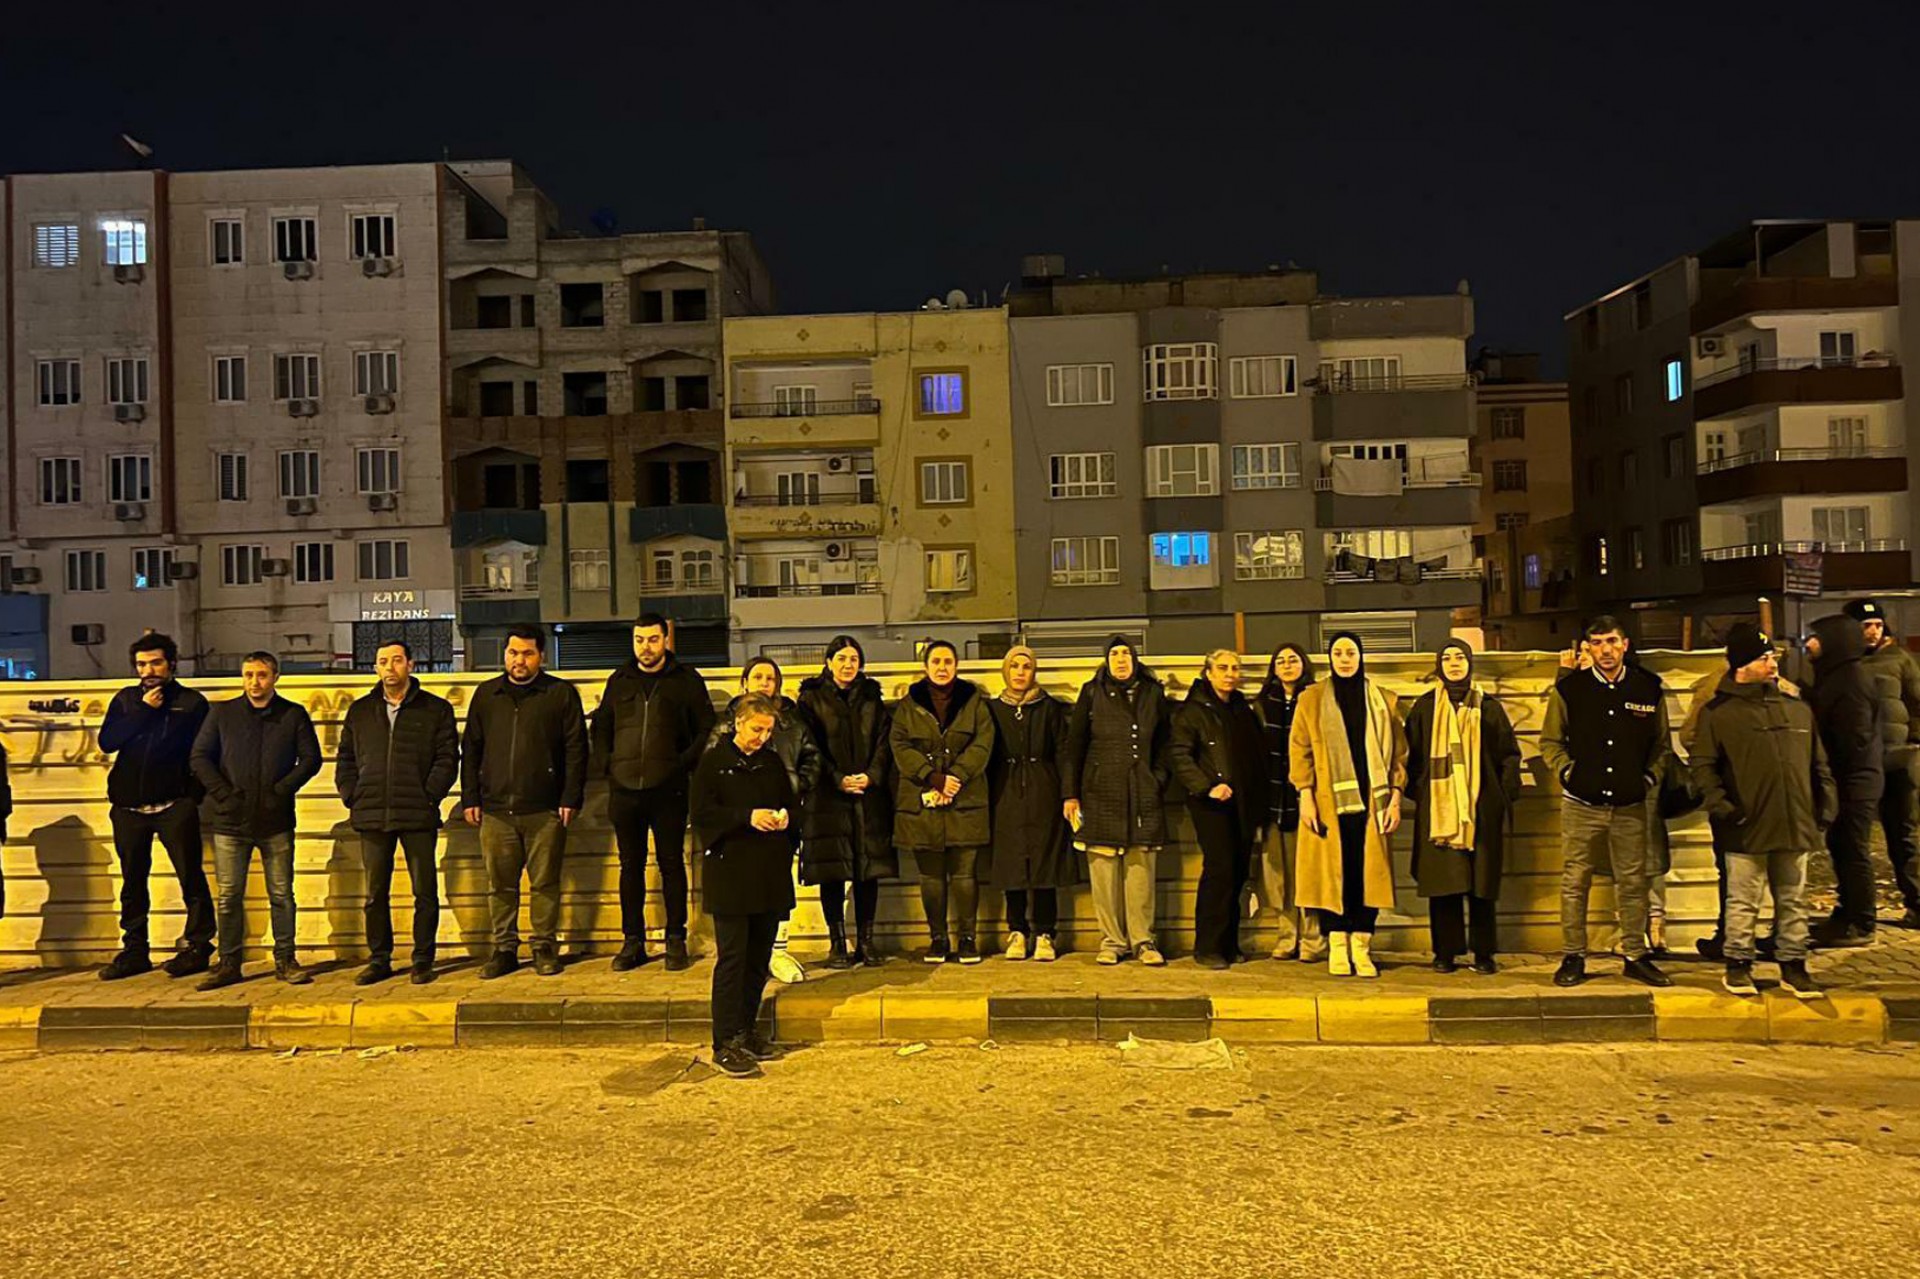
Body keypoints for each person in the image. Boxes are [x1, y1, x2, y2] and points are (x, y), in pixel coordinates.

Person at [1690, 623, 1833, 998]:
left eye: (1772, 657)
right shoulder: (1719, 713)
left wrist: (1825, 806)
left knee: (1793, 896)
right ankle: (1738, 963)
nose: (1772, 664)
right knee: (1744, 898)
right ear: (1741, 664)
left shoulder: (1796, 709)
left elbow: (1818, 763)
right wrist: (1723, 807)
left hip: (1795, 819)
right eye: (1763, 658)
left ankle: (1793, 963)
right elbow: (1703, 766)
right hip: (1746, 823)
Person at [1541, 616, 1673, 988]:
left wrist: (1648, 779)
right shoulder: (1571, 690)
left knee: (1632, 882)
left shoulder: (1648, 688)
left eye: (1612, 641)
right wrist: (1568, 773)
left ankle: (1634, 954)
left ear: (1625, 645)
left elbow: (1662, 746)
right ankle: (1574, 955)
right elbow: (1550, 742)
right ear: (1587, 649)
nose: (1606, 650)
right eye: (1597, 643)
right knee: (1575, 880)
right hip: (1581, 803)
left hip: (1631, 805)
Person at [189, 652, 323, 990]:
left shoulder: (292, 714)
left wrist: (281, 790)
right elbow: (200, 756)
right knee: (229, 895)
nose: (254, 682)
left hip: (276, 820)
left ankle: (286, 960)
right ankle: (229, 963)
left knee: (281, 894)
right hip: (229, 821)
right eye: (248, 674)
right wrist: (223, 794)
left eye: (262, 675)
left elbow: (311, 759)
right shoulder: (223, 713)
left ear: (275, 677)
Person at [461, 626, 588, 979]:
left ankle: (543, 946)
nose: (520, 660)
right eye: (513, 653)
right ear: (504, 655)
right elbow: (470, 749)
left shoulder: (560, 694)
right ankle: (504, 949)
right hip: (495, 810)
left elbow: (577, 749)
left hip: (545, 809)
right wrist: (470, 795)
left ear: (541, 657)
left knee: (545, 882)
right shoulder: (487, 695)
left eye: (528, 653)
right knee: (500, 884)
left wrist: (570, 796)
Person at [591, 613, 716, 972]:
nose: (646, 647)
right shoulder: (620, 680)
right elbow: (602, 725)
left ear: (666, 640)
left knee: (672, 864)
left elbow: (705, 727)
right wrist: (607, 765)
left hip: (669, 789)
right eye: (640, 640)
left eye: (653, 640)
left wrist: (681, 764)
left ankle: (675, 938)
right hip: (624, 790)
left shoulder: (686, 681)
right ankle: (634, 941)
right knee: (630, 867)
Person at [335, 640, 459, 986]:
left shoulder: (436, 709)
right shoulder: (360, 711)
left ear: (411, 665)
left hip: (418, 813)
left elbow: (448, 759)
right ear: (375, 668)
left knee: (425, 891)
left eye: (397, 660)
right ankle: (380, 959)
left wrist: (428, 795)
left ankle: (422, 960)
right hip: (372, 814)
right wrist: (352, 795)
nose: (390, 667)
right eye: (382, 662)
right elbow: (345, 759)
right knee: (375, 893)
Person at [690, 694, 799, 1079]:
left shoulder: (770, 763)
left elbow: (792, 804)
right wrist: (746, 817)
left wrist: (786, 820)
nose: (761, 738)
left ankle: (747, 1030)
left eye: (768, 731)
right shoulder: (714, 763)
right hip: (731, 873)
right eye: (756, 729)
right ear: (738, 723)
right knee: (733, 960)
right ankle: (725, 1042)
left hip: (768, 872)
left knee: (758, 959)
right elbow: (702, 815)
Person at [96, 633, 216, 980]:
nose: (148, 670)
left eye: (156, 663)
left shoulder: (192, 703)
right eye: (142, 664)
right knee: (133, 882)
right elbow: (108, 742)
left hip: (174, 806)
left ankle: (198, 947)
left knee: (190, 877)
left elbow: (204, 753)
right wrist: (143, 711)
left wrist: (192, 796)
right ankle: (135, 951)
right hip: (128, 809)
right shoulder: (125, 700)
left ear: (171, 664)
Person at [1290, 632, 1408, 978]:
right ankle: (1337, 945)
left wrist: (1396, 798)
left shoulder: (1384, 700)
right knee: (1333, 875)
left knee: (1365, 875)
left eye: (1351, 652)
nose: (1345, 658)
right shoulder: (1310, 699)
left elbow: (1399, 756)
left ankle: (1362, 945)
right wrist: (1305, 796)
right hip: (1328, 805)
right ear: (1329, 658)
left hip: (1374, 805)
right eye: (1338, 652)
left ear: (1361, 657)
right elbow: (1300, 751)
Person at [1403, 640, 1522, 974]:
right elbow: (1408, 757)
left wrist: (1500, 796)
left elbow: (1509, 755)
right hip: (1439, 812)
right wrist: (1424, 793)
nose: (1454, 663)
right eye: (1447, 658)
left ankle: (1484, 953)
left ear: (1470, 663)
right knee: (1444, 886)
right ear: (1438, 666)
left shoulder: (1489, 707)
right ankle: (1445, 952)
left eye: (1460, 657)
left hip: (1480, 809)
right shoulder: (1425, 708)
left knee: (1482, 887)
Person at [704, 658, 822, 977]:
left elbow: (812, 758)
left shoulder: (792, 724)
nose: (764, 682)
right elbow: (708, 784)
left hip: (781, 819)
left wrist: (796, 788)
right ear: (744, 683)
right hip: (739, 835)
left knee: (778, 891)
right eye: (757, 676)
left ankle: (778, 951)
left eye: (771, 678)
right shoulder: (725, 731)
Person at [1063, 636, 1172, 966]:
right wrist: (1071, 794)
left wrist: (1158, 779)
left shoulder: (1152, 693)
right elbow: (1074, 747)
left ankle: (1143, 940)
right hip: (1099, 794)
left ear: (1136, 659)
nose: (1121, 659)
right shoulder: (1092, 692)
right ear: (1106, 660)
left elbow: (1166, 743)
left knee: (1140, 872)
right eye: (1115, 654)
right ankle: (1112, 941)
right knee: (1104, 873)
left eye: (1126, 653)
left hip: (1143, 792)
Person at [891, 640, 995, 964]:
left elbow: (982, 743)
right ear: (925, 666)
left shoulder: (974, 702)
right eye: (935, 661)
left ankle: (967, 939)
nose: (941, 667)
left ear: (956, 665)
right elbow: (900, 745)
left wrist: (956, 777)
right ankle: (938, 939)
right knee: (931, 876)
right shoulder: (909, 704)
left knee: (965, 875)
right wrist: (931, 777)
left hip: (966, 800)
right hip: (922, 802)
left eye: (947, 661)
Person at [796, 636, 896, 967]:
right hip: (827, 798)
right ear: (828, 662)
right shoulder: (810, 699)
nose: (848, 664)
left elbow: (885, 743)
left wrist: (871, 775)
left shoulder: (872, 698)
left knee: (868, 872)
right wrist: (837, 777)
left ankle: (866, 942)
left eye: (854, 658)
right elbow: (809, 746)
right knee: (832, 873)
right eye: (841, 658)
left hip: (868, 796)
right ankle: (837, 942)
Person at [1168, 649, 1269, 968]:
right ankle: (1207, 947)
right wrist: (1207, 787)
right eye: (1222, 668)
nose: (1230, 673)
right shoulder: (1191, 711)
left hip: (1242, 803)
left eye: (1235, 668)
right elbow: (1180, 756)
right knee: (1219, 870)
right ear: (1208, 672)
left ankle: (1229, 944)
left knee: (1238, 873)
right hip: (1210, 804)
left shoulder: (1242, 709)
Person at [985, 646, 1079, 962]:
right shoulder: (993, 709)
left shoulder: (1049, 708)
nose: (1021, 672)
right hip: (1006, 792)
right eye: (1015, 666)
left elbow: (1064, 753)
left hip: (1044, 790)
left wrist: (1069, 793)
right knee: (1011, 861)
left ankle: (1044, 933)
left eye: (1027, 666)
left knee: (1044, 863)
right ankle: (1017, 931)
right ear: (1006, 671)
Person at [1804, 613, 1884, 948]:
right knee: (1840, 847)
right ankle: (1846, 912)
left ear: (1835, 640)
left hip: (1854, 780)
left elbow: (1854, 738)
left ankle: (1862, 922)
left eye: (1817, 636)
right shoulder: (1835, 675)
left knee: (1853, 850)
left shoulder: (1851, 680)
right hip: (1846, 779)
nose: (1809, 643)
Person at [1844, 598, 1920, 928]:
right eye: (1865, 626)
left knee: (1904, 834)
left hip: (1898, 760)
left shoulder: (1900, 660)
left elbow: (1917, 703)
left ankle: (1917, 902)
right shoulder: (1844, 664)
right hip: (1861, 763)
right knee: (1855, 839)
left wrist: (1914, 742)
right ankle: (1859, 910)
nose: (1872, 632)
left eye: (1877, 625)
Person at [1250, 643, 1322, 962]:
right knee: (1276, 875)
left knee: (1309, 872)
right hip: (1272, 801)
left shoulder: (1318, 699)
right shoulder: (1263, 705)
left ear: (1303, 665)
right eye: (1280, 660)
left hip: (1308, 800)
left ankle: (1312, 937)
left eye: (1293, 659)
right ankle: (1286, 934)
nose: (1287, 665)